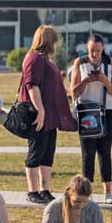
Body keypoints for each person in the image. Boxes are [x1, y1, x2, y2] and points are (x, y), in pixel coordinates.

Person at [21, 25, 77, 204]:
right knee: (36, 152)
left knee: (47, 153)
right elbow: (32, 85)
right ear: (47, 40)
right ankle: (32, 191)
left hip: (50, 116)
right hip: (40, 115)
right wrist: (41, 110)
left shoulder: (46, 60)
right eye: (53, 40)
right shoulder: (34, 58)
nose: (55, 43)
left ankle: (44, 189)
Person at [70, 34, 112, 204]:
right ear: (87, 49)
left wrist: (105, 81)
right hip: (87, 112)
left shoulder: (111, 62)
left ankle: (108, 192)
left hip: (107, 111)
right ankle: (87, 192)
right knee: (87, 154)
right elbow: (73, 91)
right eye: (92, 51)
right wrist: (86, 81)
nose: (95, 54)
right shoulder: (80, 62)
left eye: (98, 51)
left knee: (105, 152)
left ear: (103, 49)